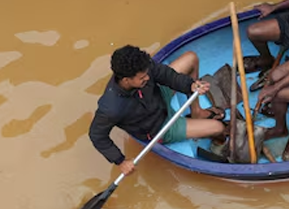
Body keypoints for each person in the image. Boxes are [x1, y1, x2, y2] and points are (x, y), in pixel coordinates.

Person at [88, 46, 223, 176]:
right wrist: (120, 160)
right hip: (160, 127)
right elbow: (97, 135)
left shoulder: (143, 68)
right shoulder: (111, 107)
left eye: (147, 74)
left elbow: (164, 74)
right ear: (126, 80)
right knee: (219, 127)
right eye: (142, 78)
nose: (147, 77)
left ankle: (196, 111)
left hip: (159, 98)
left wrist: (190, 85)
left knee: (191, 58)